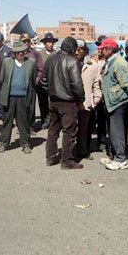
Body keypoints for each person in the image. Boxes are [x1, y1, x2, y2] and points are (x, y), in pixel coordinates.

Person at [43, 37, 85, 169]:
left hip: (53, 101)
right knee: (69, 131)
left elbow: (43, 80)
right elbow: (77, 85)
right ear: (73, 49)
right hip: (68, 102)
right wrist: (80, 99)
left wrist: (51, 91)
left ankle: (50, 157)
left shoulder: (50, 59)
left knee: (53, 129)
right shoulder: (73, 61)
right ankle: (66, 161)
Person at [99, 38, 128, 171]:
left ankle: (120, 160)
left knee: (117, 132)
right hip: (111, 102)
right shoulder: (110, 62)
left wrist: (127, 98)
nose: (100, 51)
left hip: (118, 103)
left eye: (102, 49)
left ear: (109, 49)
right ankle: (114, 156)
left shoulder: (119, 63)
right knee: (112, 132)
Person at [0, 41, 37, 153]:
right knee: (7, 121)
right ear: (14, 53)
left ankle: (25, 144)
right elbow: (2, 79)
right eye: (18, 52)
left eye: (22, 51)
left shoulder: (31, 62)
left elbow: (32, 80)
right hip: (9, 97)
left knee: (23, 121)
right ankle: (4, 143)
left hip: (23, 97)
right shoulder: (6, 62)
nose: (21, 54)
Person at [75, 39, 102, 161]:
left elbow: (96, 84)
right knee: (71, 128)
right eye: (76, 49)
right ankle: (70, 152)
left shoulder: (93, 65)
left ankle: (83, 150)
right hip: (71, 102)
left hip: (86, 102)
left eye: (80, 49)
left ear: (85, 51)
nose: (77, 52)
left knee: (85, 128)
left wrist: (97, 97)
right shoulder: (69, 63)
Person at [20, 33, 44, 130]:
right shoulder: (16, 53)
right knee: (21, 107)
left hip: (31, 85)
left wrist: (37, 79)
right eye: (23, 41)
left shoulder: (35, 53)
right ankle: (21, 127)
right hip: (19, 85)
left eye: (27, 41)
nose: (25, 43)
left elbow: (41, 68)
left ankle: (30, 126)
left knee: (31, 107)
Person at [37, 32, 58, 130]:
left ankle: (53, 121)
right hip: (42, 83)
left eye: (52, 42)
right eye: (49, 42)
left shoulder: (56, 54)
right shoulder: (39, 54)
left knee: (53, 103)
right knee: (43, 103)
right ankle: (44, 120)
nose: (51, 44)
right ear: (44, 43)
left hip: (53, 83)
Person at [93, 35, 108, 151]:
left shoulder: (110, 60)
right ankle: (100, 142)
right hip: (96, 94)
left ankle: (109, 143)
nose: (99, 48)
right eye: (98, 45)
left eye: (101, 46)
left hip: (107, 95)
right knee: (98, 120)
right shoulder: (93, 59)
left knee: (108, 121)